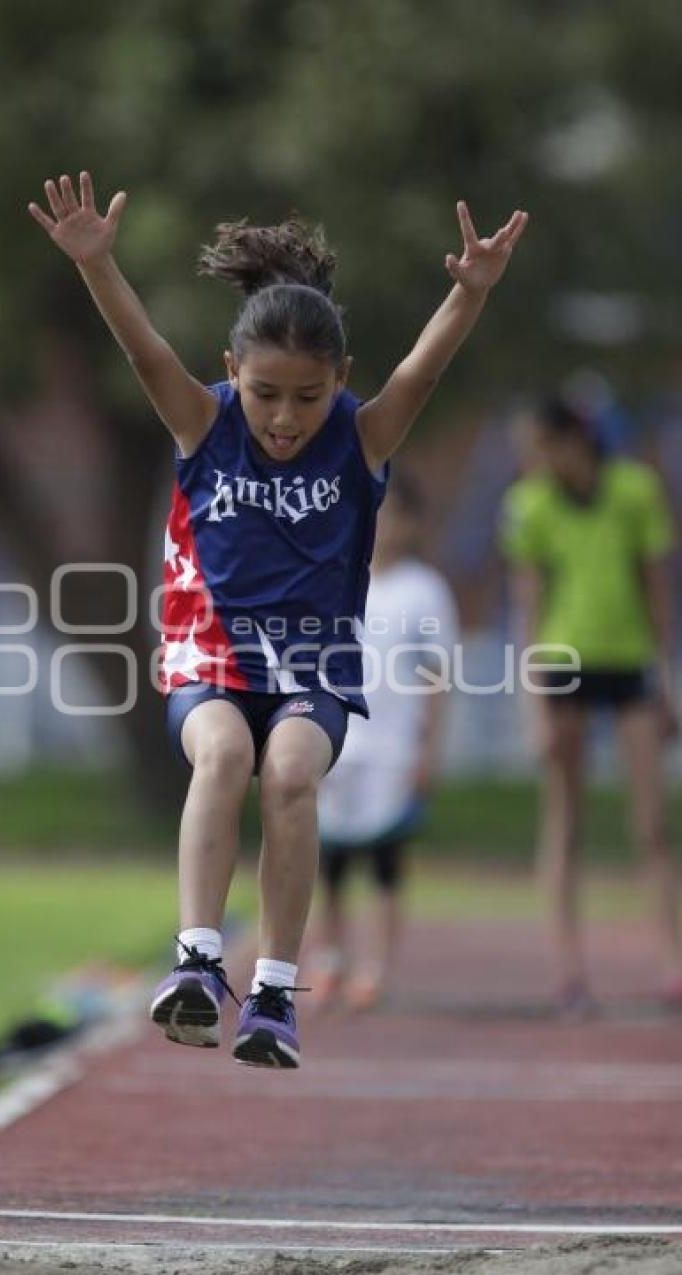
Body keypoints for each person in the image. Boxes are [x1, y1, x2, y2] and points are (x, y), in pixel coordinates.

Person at [30, 171, 527, 1067]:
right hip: (213, 662)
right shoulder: (201, 423)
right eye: (265, 394)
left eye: (307, 395)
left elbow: (423, 367)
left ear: (339, 379)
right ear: (231, 373)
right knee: (224, 755)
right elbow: (145, 354)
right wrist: (97, 267)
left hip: (313, 674)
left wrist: (469, 292)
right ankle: (196, 962)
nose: (285, 418)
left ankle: (274, 991)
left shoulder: (361, 438)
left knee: (291, 774)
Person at [501, 397, 681, 1016]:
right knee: (566, 821)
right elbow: (527, 606)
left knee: (653, 824)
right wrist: (532, 706)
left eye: (539, 446)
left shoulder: (634, 490)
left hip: (628, 664)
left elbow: (658, 590)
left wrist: (666, 681)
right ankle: (570, 973)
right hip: (562, 667)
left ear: (571, 441)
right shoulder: (530, 505)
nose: (531, 460)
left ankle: (672, 966)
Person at [311, 471, 458, 1011]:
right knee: (326, 863)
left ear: (414, 524)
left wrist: (430, 749)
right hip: (334, 744)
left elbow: (438, 677)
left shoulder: (427, 591)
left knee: (384, 865)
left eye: (394, 514)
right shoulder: (335, 578)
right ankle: (328, 958)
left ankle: (377, 966)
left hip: (393, 750)